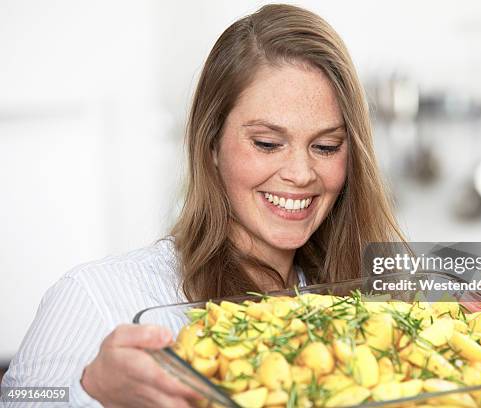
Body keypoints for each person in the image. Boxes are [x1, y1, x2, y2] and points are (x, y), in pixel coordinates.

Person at [2, 4, 406, 407]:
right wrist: (88, 390)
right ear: (211, 143)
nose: (301, 173)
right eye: (267, 143)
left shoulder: (371, 305)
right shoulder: (97, 297)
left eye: (326, 146)